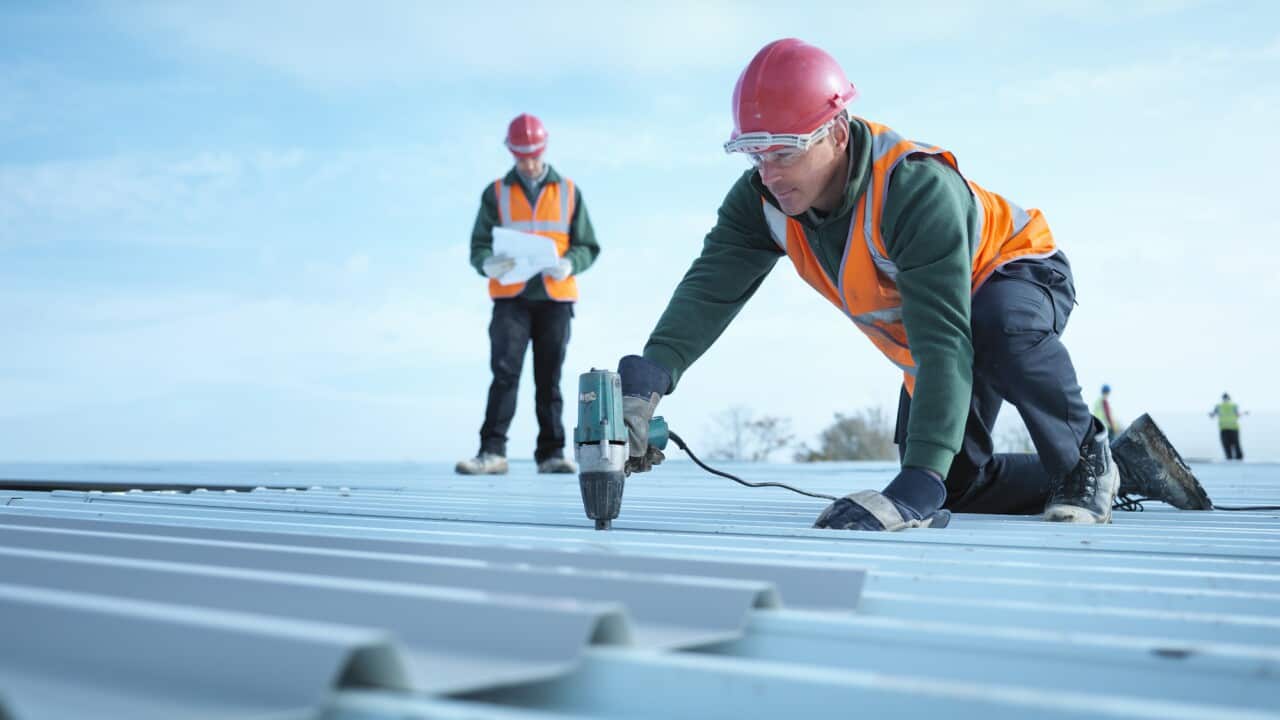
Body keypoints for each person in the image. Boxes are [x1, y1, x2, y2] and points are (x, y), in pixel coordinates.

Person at [615, 38, 1191, 531]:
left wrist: (913, 486)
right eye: (753, 152)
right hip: (942, 320)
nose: (768, 172)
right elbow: (709, 291)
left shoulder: (913, 190)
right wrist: (651, 376)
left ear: (837, 132)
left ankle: (1085, 457)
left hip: (1017, 269)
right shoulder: (762, 203)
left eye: (786, 151)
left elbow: (942, 339)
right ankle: (1128, 464)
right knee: (954, 483)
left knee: (994, 330)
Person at [456, 113, 600, 475]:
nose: (529, 162)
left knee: (549, 376)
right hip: (511, 298)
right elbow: (478, 245)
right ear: (511, 152)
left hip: (555, 296)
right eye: (522, 156)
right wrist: (486, 263)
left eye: (534, 154)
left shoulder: (568, 191)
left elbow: (588, 245)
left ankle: (552, 454)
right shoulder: (496, 193)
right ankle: (492, 452)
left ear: (543, 149)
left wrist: (570, 262)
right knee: (504, 373)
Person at [1209, 393, 1246, 461]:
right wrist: (1244, 413)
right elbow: (1238, 414)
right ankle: (1239, 459)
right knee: (1236, 444)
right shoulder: (1233, 405)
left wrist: (1211, 414)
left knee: (1226, 444)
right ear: (1229, 398)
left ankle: (1229, 458)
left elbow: (1212, 415)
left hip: (1224, 428)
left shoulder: (1219, 406)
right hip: (1234, 427)